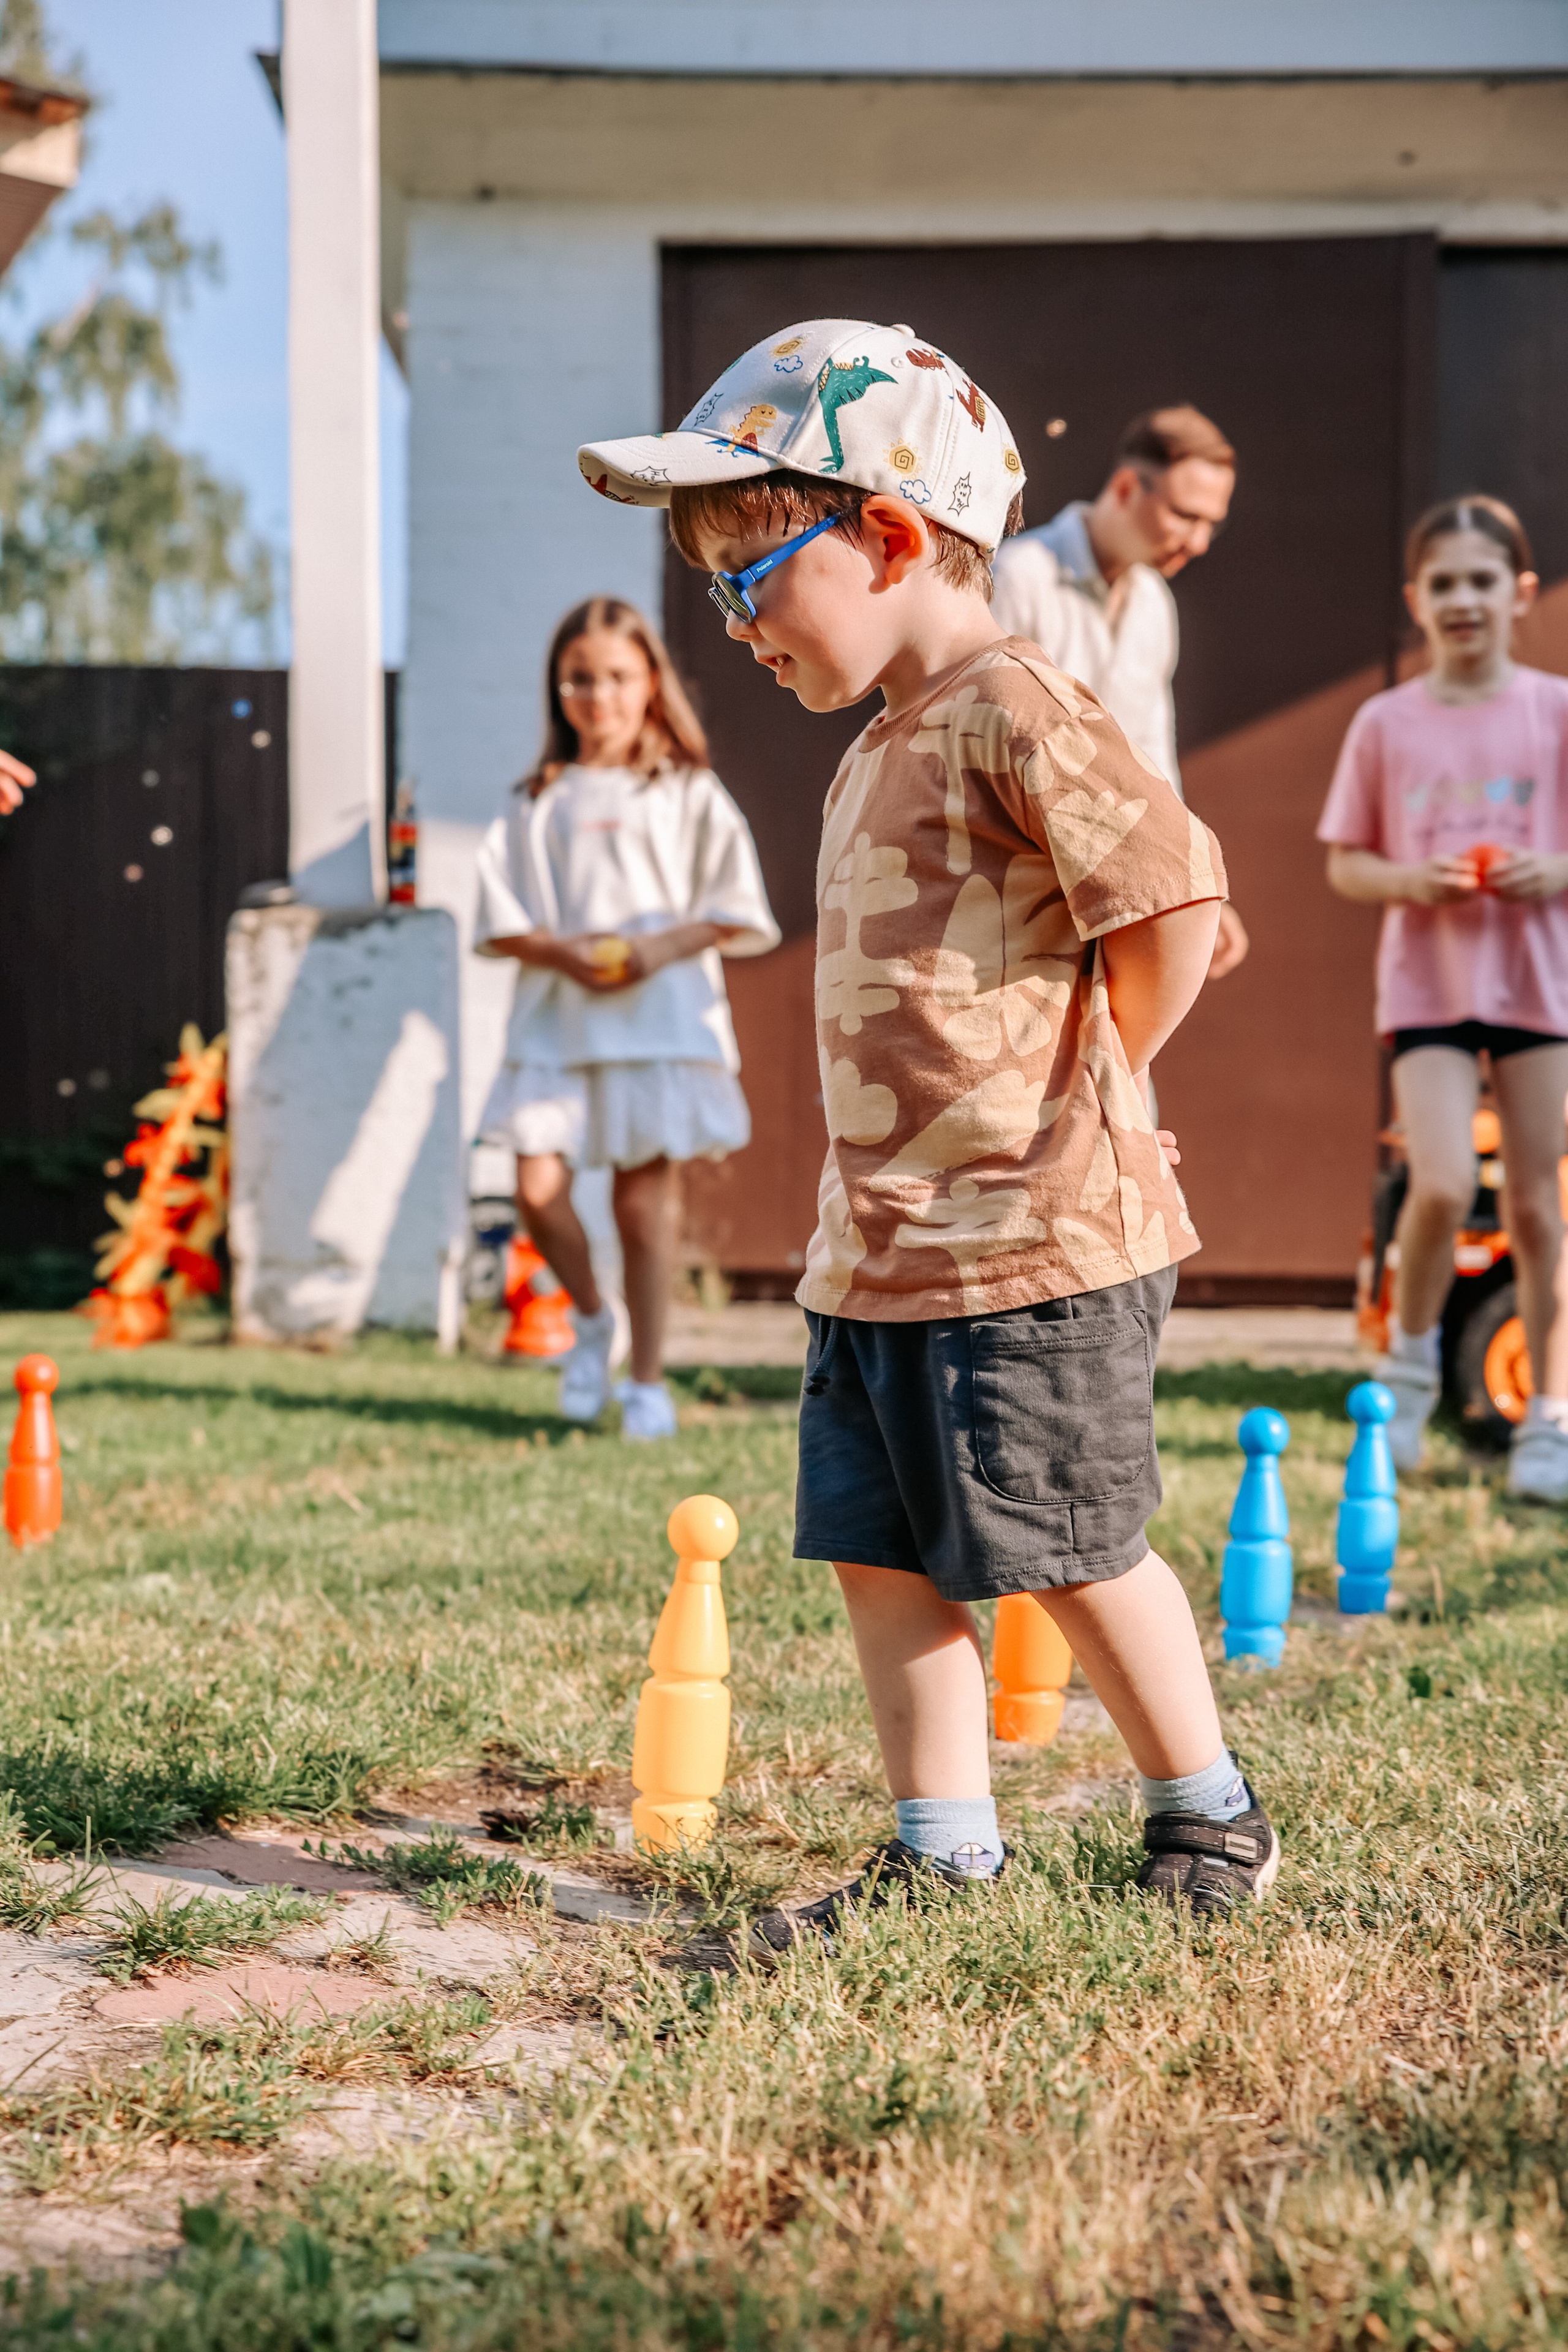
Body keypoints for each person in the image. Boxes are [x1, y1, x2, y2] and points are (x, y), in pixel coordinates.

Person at [578, 319, 1280, 1939]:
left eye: (750, 579)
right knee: (882, 1551)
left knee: (1071, 1538)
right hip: (881, 1253)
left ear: (887, 533)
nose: (734, 625)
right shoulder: (871, 750)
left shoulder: (1018, 703)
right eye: (715, 593)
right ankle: (945, 1850)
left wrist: (1105, 1079)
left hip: (1035, 1237)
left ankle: (1209, 1814)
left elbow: (1173, 902)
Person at [473, 597, 779, 1440]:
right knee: (538, 1187)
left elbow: (731, 907)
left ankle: (646, 1380)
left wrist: (651, 952)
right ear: (556, 690)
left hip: (661, 1018)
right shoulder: (535, 798)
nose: (597, 697)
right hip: (555, 1022)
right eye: (579, 679)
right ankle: (591, 1315)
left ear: (651, 682)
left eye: (615, 677)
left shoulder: (685, 791)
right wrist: (562, 953)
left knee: (646, 1206)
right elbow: (501, 920)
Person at [1319, 496, 1568, 1501]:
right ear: (1418, 602)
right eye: (1445, 584)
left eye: (1482, 581)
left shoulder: (1555, 709)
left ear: (1519, 595)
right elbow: (1347, 864)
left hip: (1539, 990)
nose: (1464, 600)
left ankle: (1549, 1420)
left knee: (1539, 1207)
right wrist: (1408, 881)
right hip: (1427, 988)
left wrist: (1552, 870)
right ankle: (1409, 1369)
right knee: (1438, 1185)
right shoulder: (1386, 721)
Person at [991, 405, 1248, 981]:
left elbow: (1151, 756)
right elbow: (985, 747)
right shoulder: (1019, 576)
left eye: (1214, 523)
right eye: (1187, 515)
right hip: (1015, 899)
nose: (1201, 541)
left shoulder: (1155, 602)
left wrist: (1195, 886)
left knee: (1124, 1072)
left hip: (1117, 902)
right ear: (1128, 487)